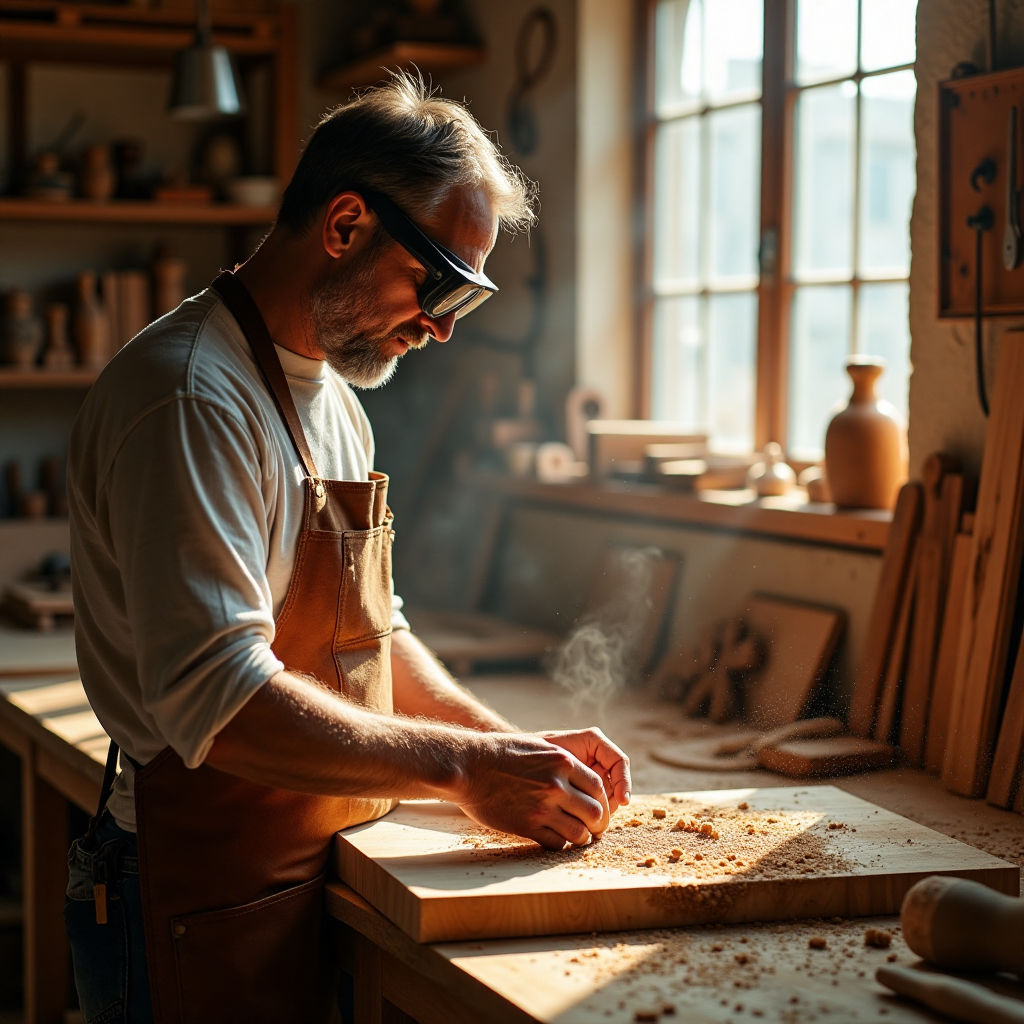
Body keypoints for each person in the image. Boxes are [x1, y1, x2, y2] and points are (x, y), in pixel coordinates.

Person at [65, 73, 631, 1024]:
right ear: (345, 226)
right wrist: (462, 773)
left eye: (468, 298)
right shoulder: (193, 398)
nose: (444, 327)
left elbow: (373, 633)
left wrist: (505, 749)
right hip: (192, 888)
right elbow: (223, 700)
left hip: (310, 854)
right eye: (439, 283)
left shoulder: (333, 400)